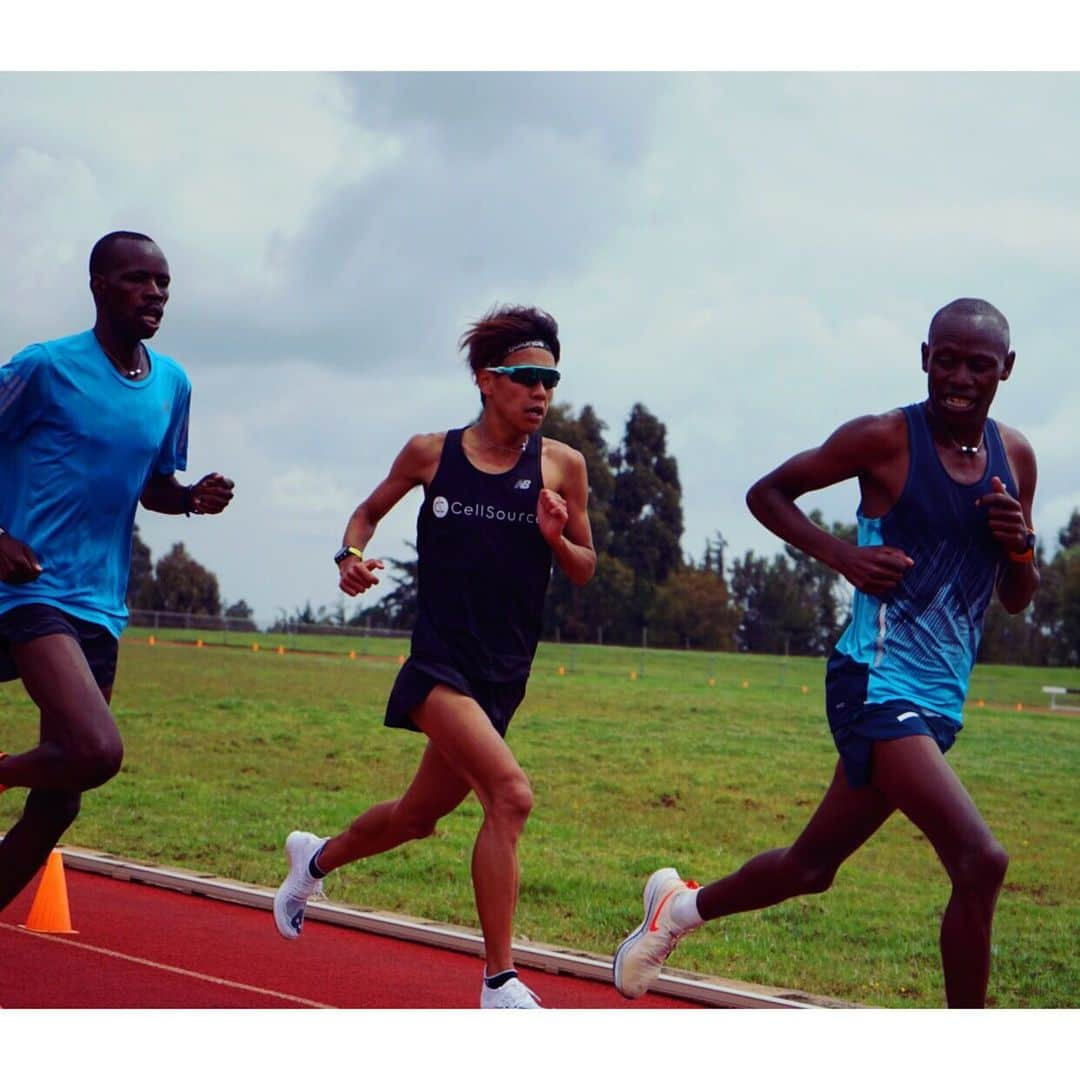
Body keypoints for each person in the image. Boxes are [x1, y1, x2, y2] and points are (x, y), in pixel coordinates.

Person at [613, 298, 1039, 1009]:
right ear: (924, 356)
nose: (959, 377)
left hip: (938, 701)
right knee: (980, 860)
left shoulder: (1014, 456)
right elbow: (768, 493)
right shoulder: (884, 438)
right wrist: (842, 556)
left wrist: (1020, 545)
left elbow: (1020, 596)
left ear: (1006, 370)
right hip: (872, 681)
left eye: (979, 364)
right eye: (947, 359)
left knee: (812, 868)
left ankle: (676, 912)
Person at [273, 305, 596, 1008]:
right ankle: (499, 982)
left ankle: (315, 858)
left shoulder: (563, 466)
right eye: (525, 379)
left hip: (503, 673)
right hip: (437, 666)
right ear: (486, 380)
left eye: (551, 381)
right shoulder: (431, 453)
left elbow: (584, 568)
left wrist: (556, 537)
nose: (540, 394)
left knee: (417, 818)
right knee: (510, 797)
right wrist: (349, 557)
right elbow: (365, 514)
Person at [0, 230, 234, 912]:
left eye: (163, 282)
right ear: (99, 286)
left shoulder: (172, 385)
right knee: (97, 750)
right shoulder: (46, 367)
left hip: (101, 602)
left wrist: (190, 500)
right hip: (29, 590)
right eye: (138, 279)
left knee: (59, 804)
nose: (155, 293)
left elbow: (153, 483)